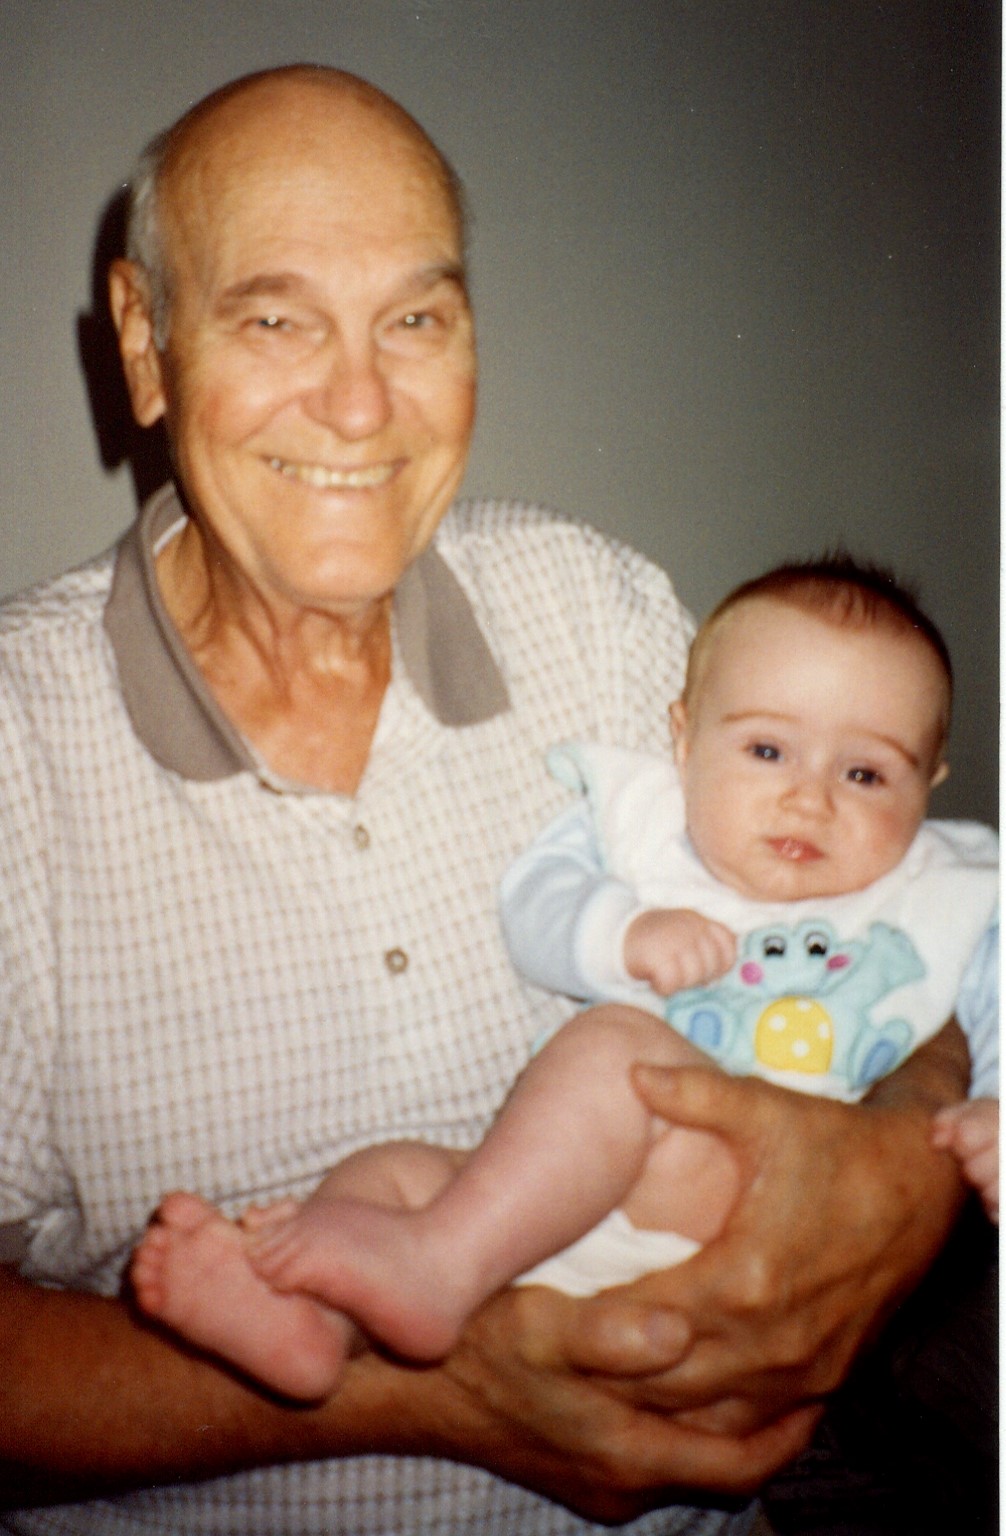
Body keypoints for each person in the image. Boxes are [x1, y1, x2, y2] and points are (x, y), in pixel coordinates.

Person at [0, 63, 977, 1536]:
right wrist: (435, 1395)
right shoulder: (16, 748)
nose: (358, 404)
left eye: (416, 321)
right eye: (274, 319)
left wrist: (906, 1156)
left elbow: (883, 905)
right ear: (146, 344)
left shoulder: (603, 611)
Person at [127, 559, 998, 1403]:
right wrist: (620, 932)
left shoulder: (947, 886)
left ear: (928, 783)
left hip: (756, 1197)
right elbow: (534, 901)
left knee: (617, 1050)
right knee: (389, 1177)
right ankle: (314, 1329)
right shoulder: (643, 824)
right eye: (768, 750)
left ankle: (436, 1269)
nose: (810, 800)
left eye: (865, 774)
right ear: (685, 737)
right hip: (567, 1211)